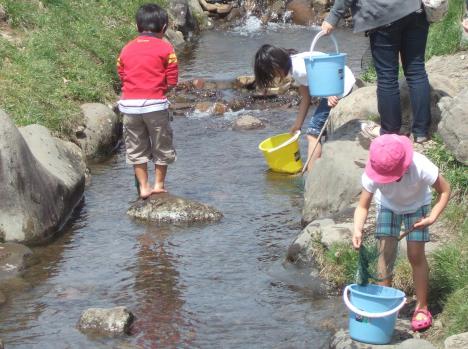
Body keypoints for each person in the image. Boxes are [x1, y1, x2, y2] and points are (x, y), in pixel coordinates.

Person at [353, 134, 451, 331]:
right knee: (385, 253)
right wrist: (357, 228)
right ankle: (385, 302)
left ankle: (422, 306)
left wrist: (432, 217)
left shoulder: (420, 165)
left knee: (415, 255)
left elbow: (445, 190)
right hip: (388, 207)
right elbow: (363, 206)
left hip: (417, 207)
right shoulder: (373, 173)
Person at [322, 0, 432, 143]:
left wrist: (333, 17)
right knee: (416, 71)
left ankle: (390, 133)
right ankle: (421, 131)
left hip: (382, 14)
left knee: (387, 77)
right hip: (415, 10)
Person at [254, 44, 355, 172]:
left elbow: (322, 75)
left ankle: (311, 175)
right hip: (341, 80)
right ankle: (318, 166)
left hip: (338, 86)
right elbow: (306, 98)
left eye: (272, 73)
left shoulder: (298, 69)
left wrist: (330, 94)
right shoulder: (296, 61)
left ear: (276, 65)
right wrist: (297, 124)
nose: (274, 76)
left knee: (312, 134)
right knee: (319, 131)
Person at [117, 3, 178, 199]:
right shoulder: (166, 48)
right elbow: (173, 79)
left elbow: (122, 73)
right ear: (164, 28)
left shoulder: (126, 49)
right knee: (161, 144)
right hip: (155, 106)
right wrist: (162, 87)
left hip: (130, 108)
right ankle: (158, 184)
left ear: (137, 27)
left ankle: (143, 187)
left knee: (136, 147)